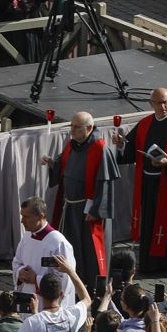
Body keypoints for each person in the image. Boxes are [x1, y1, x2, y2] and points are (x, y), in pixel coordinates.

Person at [113, 87, 167, 274]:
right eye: (159, 103)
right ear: (151, 104)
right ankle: (150, 265)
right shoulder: (145, 124)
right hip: (149, 184)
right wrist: (121, 144)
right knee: (150, 224)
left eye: (166, 102)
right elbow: (130, 150)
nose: (163, 106)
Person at [43, 110, 119, 284]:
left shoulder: (99, 149)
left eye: (77, 127)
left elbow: (105, 183)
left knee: (89, 250)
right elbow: (63, 166)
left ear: (89, 128)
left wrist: (96, 209)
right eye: (71, 126)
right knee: (72, 246)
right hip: (70, 206)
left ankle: (92, 284)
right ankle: (71, 281)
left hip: (88, 210)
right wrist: (52, 163)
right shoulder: (72, 145)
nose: (72, 130)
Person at [12, 196, 77, 306]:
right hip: (28, 300)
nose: (22, 221)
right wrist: (20, 272)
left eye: (26, 217)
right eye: (22, 216)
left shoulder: (57, 243)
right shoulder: (27, 237)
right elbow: (17, 262)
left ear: (41, 216)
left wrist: (36, 279)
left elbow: (65, 279)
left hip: (49, 306)